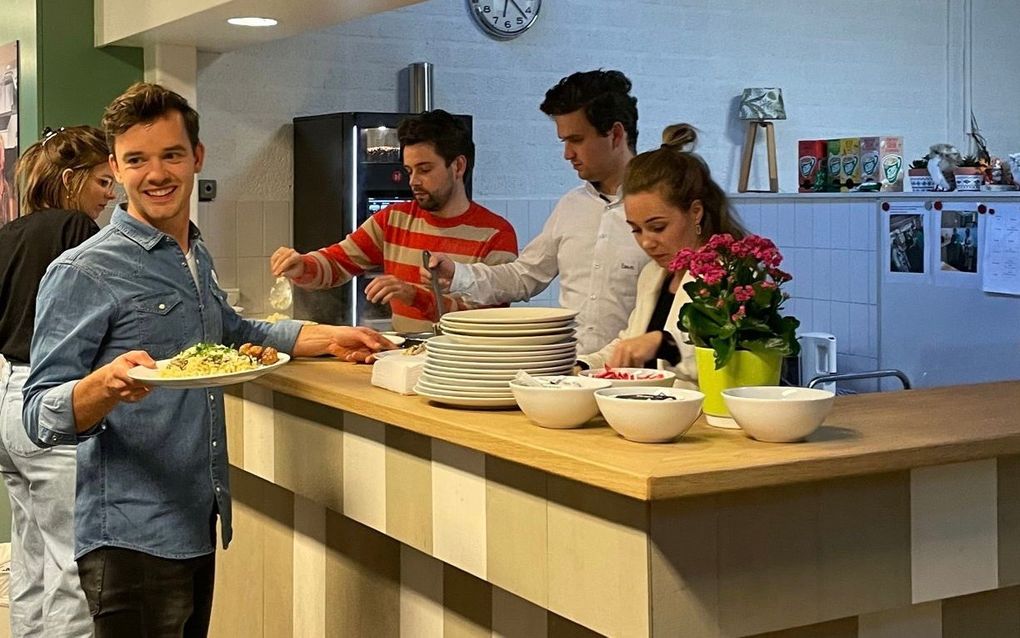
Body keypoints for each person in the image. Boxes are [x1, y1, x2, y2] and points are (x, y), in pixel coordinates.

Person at [21, 82, 390, 637]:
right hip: (131, 535)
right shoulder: (83, 270)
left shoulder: (193, 252)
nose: (157, 174)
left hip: (197, 518)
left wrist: (329, 336)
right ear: (117, 171)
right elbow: (36, 414)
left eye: (171, 155)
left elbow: (232, 331)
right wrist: (104, 386)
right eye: (136, 160)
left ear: (197, 157)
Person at [424, 69, 650, 354]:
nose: (567, 154)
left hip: (638, 384)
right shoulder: (572, 205)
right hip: (569, 372)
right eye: (564, 141)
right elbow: (524, 276)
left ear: (616, 134)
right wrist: (457, 274)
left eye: (576, 140)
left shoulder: (661, 212)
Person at [0, 125, 115, 638]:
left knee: (29, 556)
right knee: (74, 564)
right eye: (102, 182)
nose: (111, 196)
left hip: (6, 403)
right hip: (50, 405)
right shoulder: (76, 230)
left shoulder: (8, 235)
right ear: (71, 180)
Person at [270, 109, 518, 332]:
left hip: (467, 366)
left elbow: (489, 323)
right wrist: (302, 266)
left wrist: (416, 297)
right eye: (410, 171)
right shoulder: (393, 220)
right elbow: (337, 263)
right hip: (403, 359)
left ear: (458, 166)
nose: (413, 181)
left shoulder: (496, 234)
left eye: (425, 169)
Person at [577, 124, 747, 386]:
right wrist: (585, 365)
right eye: (636, 229)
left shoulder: (733, 274)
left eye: (658, 227)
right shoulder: (653, 275)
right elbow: (630, 343)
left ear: (695, 212)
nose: (646, 242)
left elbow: (730, 359)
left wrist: (663, 343)